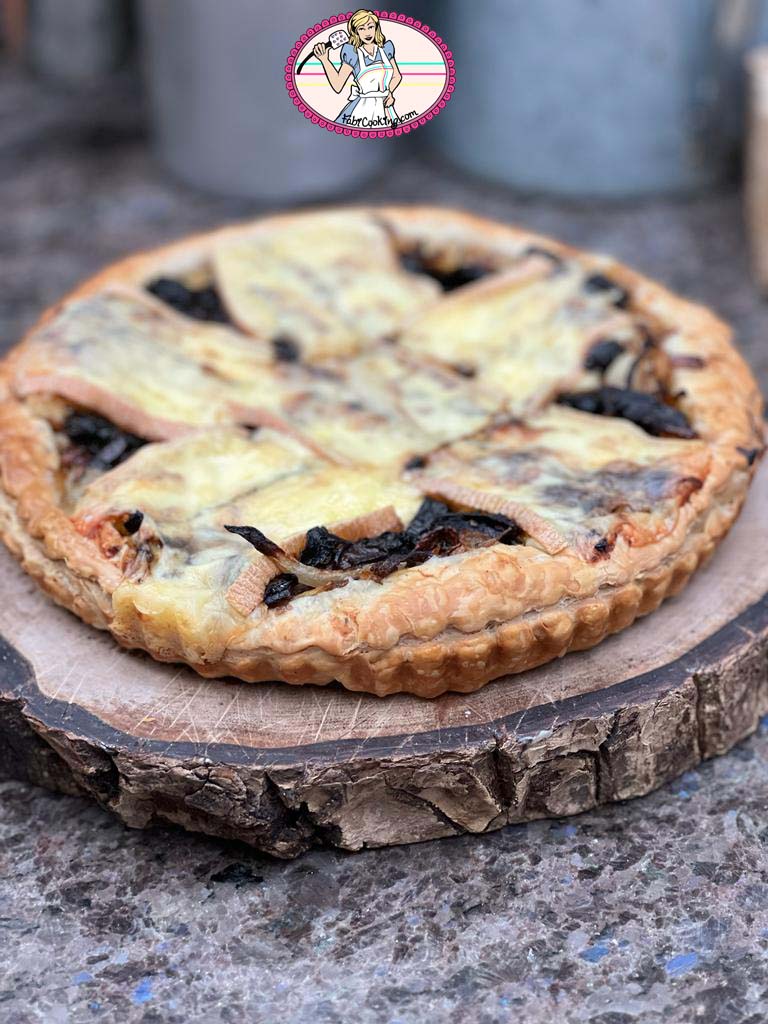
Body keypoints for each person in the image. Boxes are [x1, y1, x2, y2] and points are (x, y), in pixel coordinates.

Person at [313, 9, 402, 128]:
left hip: (386, 108)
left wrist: (389, 93)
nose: (367, 32)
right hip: (361, 109)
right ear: (355, 32)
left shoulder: (386, 49)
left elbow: (397, 76)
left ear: (376, 28)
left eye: (370, 27)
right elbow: (337, 84)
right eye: (361, 28)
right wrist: (325, 60)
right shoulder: (352, 53)